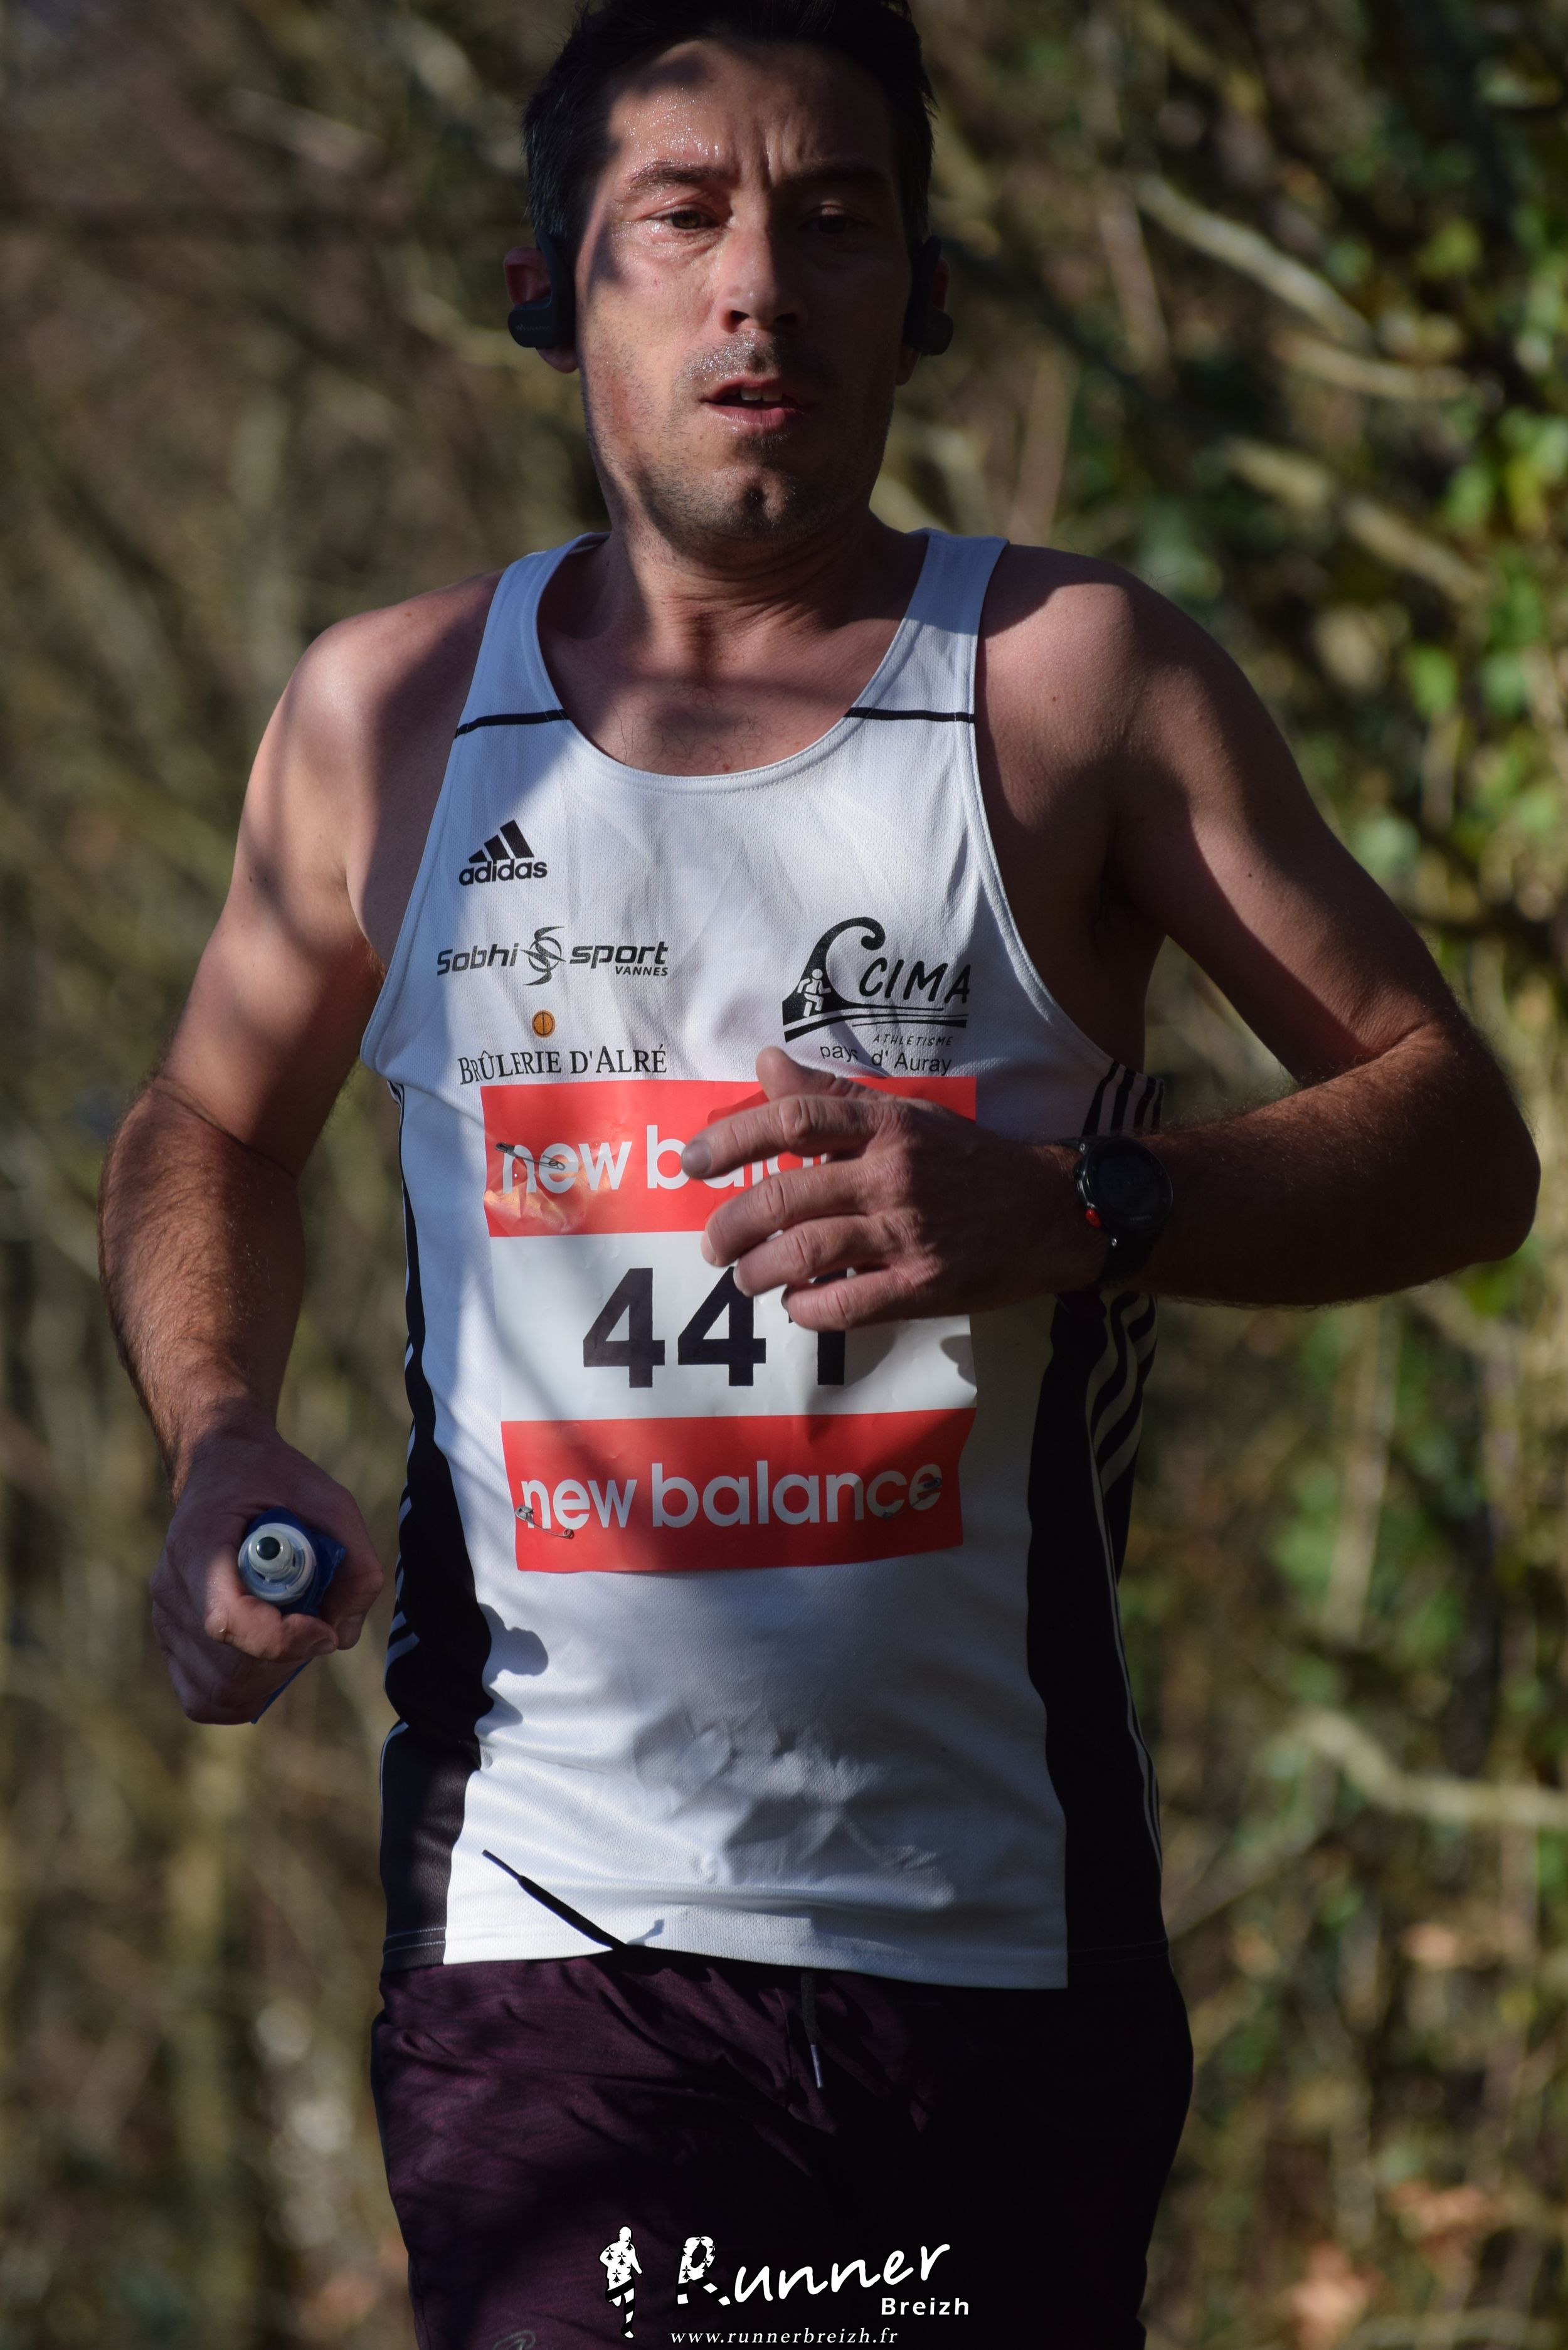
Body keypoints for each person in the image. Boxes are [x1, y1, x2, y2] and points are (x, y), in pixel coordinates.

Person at [96, 0, 1539, 2343]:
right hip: (550, 1938)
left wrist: (1077, 1209)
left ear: (921, 292)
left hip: (999, 1936)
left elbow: (1455, 1139)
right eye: (681, 216)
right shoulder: (388, 716)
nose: (758, 282)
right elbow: (209, 1126)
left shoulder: (1067, 683)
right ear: (553, 285)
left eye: (835, 218)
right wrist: (217, 1434)